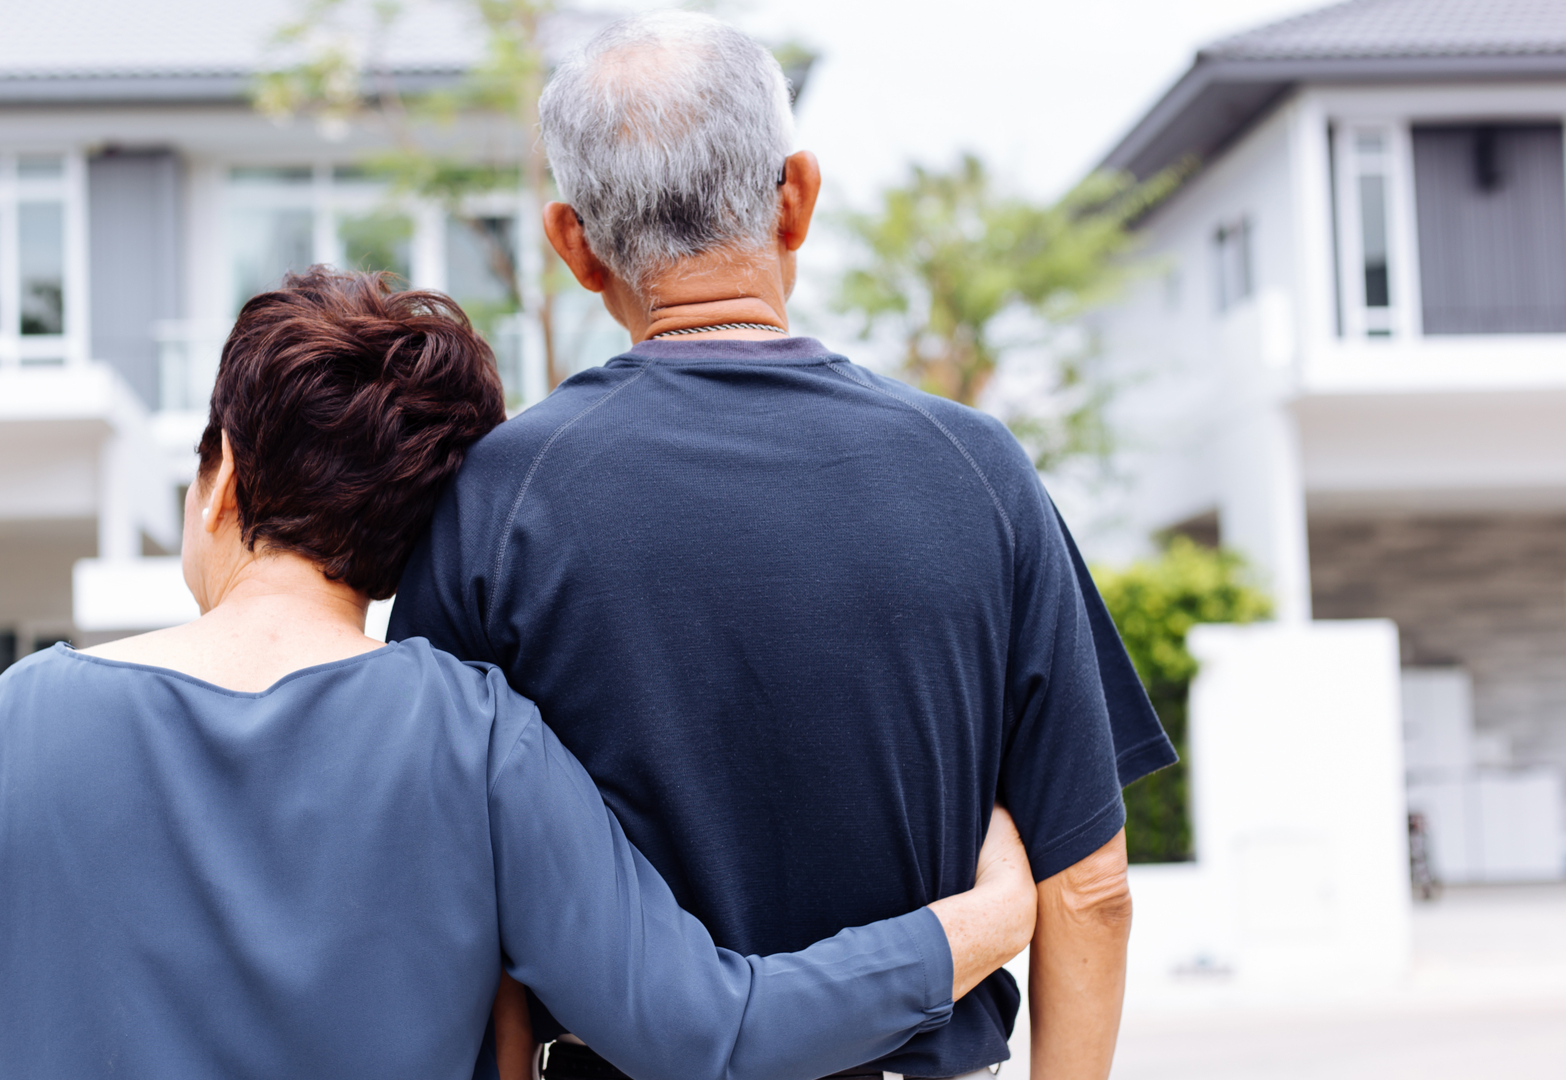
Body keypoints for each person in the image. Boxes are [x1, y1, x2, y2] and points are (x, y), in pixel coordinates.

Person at [0, 269, 1041, 1080]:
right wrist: (978, 926)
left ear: (221, 477)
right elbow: (709, 1032)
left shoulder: (21, 727)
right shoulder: (476, 737)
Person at [389, 13, 1178, 1080]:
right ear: (796, 197)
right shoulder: (977, 471)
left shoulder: (494, 500)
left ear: (572, 244)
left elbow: (456, 898)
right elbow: (1089, 888)